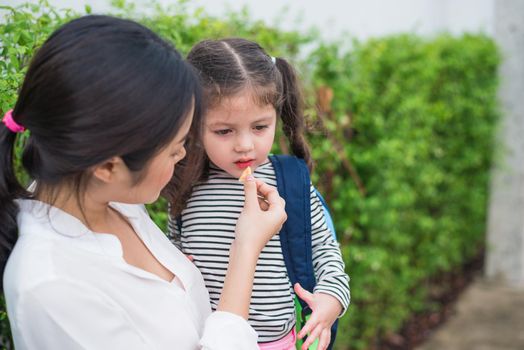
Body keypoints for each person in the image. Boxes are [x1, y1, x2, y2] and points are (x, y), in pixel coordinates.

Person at [0, 16, 286, 349]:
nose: (182, 156)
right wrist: (246, 249)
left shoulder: (115, 200)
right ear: (108, 165)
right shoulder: (52, 291)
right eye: (174, 148)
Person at [167, 38, 350, 350]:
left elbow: (326, 253)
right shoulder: (187, 183)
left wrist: (331, 300)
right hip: (206, 341)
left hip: (281, 342)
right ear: (194, 123)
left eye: (260, 127)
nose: (245, 145)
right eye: (224, 131)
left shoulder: (290, 183)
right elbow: (172, 250)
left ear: (276, 115)